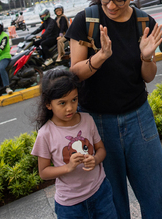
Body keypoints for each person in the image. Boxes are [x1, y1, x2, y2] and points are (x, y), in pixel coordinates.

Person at [66, 0, 162, 219]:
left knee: (157, 195)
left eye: (119, 0)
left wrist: (147, 58)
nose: (111, 6)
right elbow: (75, 72)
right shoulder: (87, 20)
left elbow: (147, 76)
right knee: (112, 203)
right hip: (96, 124)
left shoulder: (143, 22)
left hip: (139, 119)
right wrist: (101, 56)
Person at [31, 68, 117, 219]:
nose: (70, 108)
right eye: (62, 103)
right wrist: (68, 167)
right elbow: (43, 172)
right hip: (70, 205)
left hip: (100, 192)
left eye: (74, 100)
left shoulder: (87, 120)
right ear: (48, 104)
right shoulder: (45, 134)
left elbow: (101, 149)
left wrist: (95, 160)